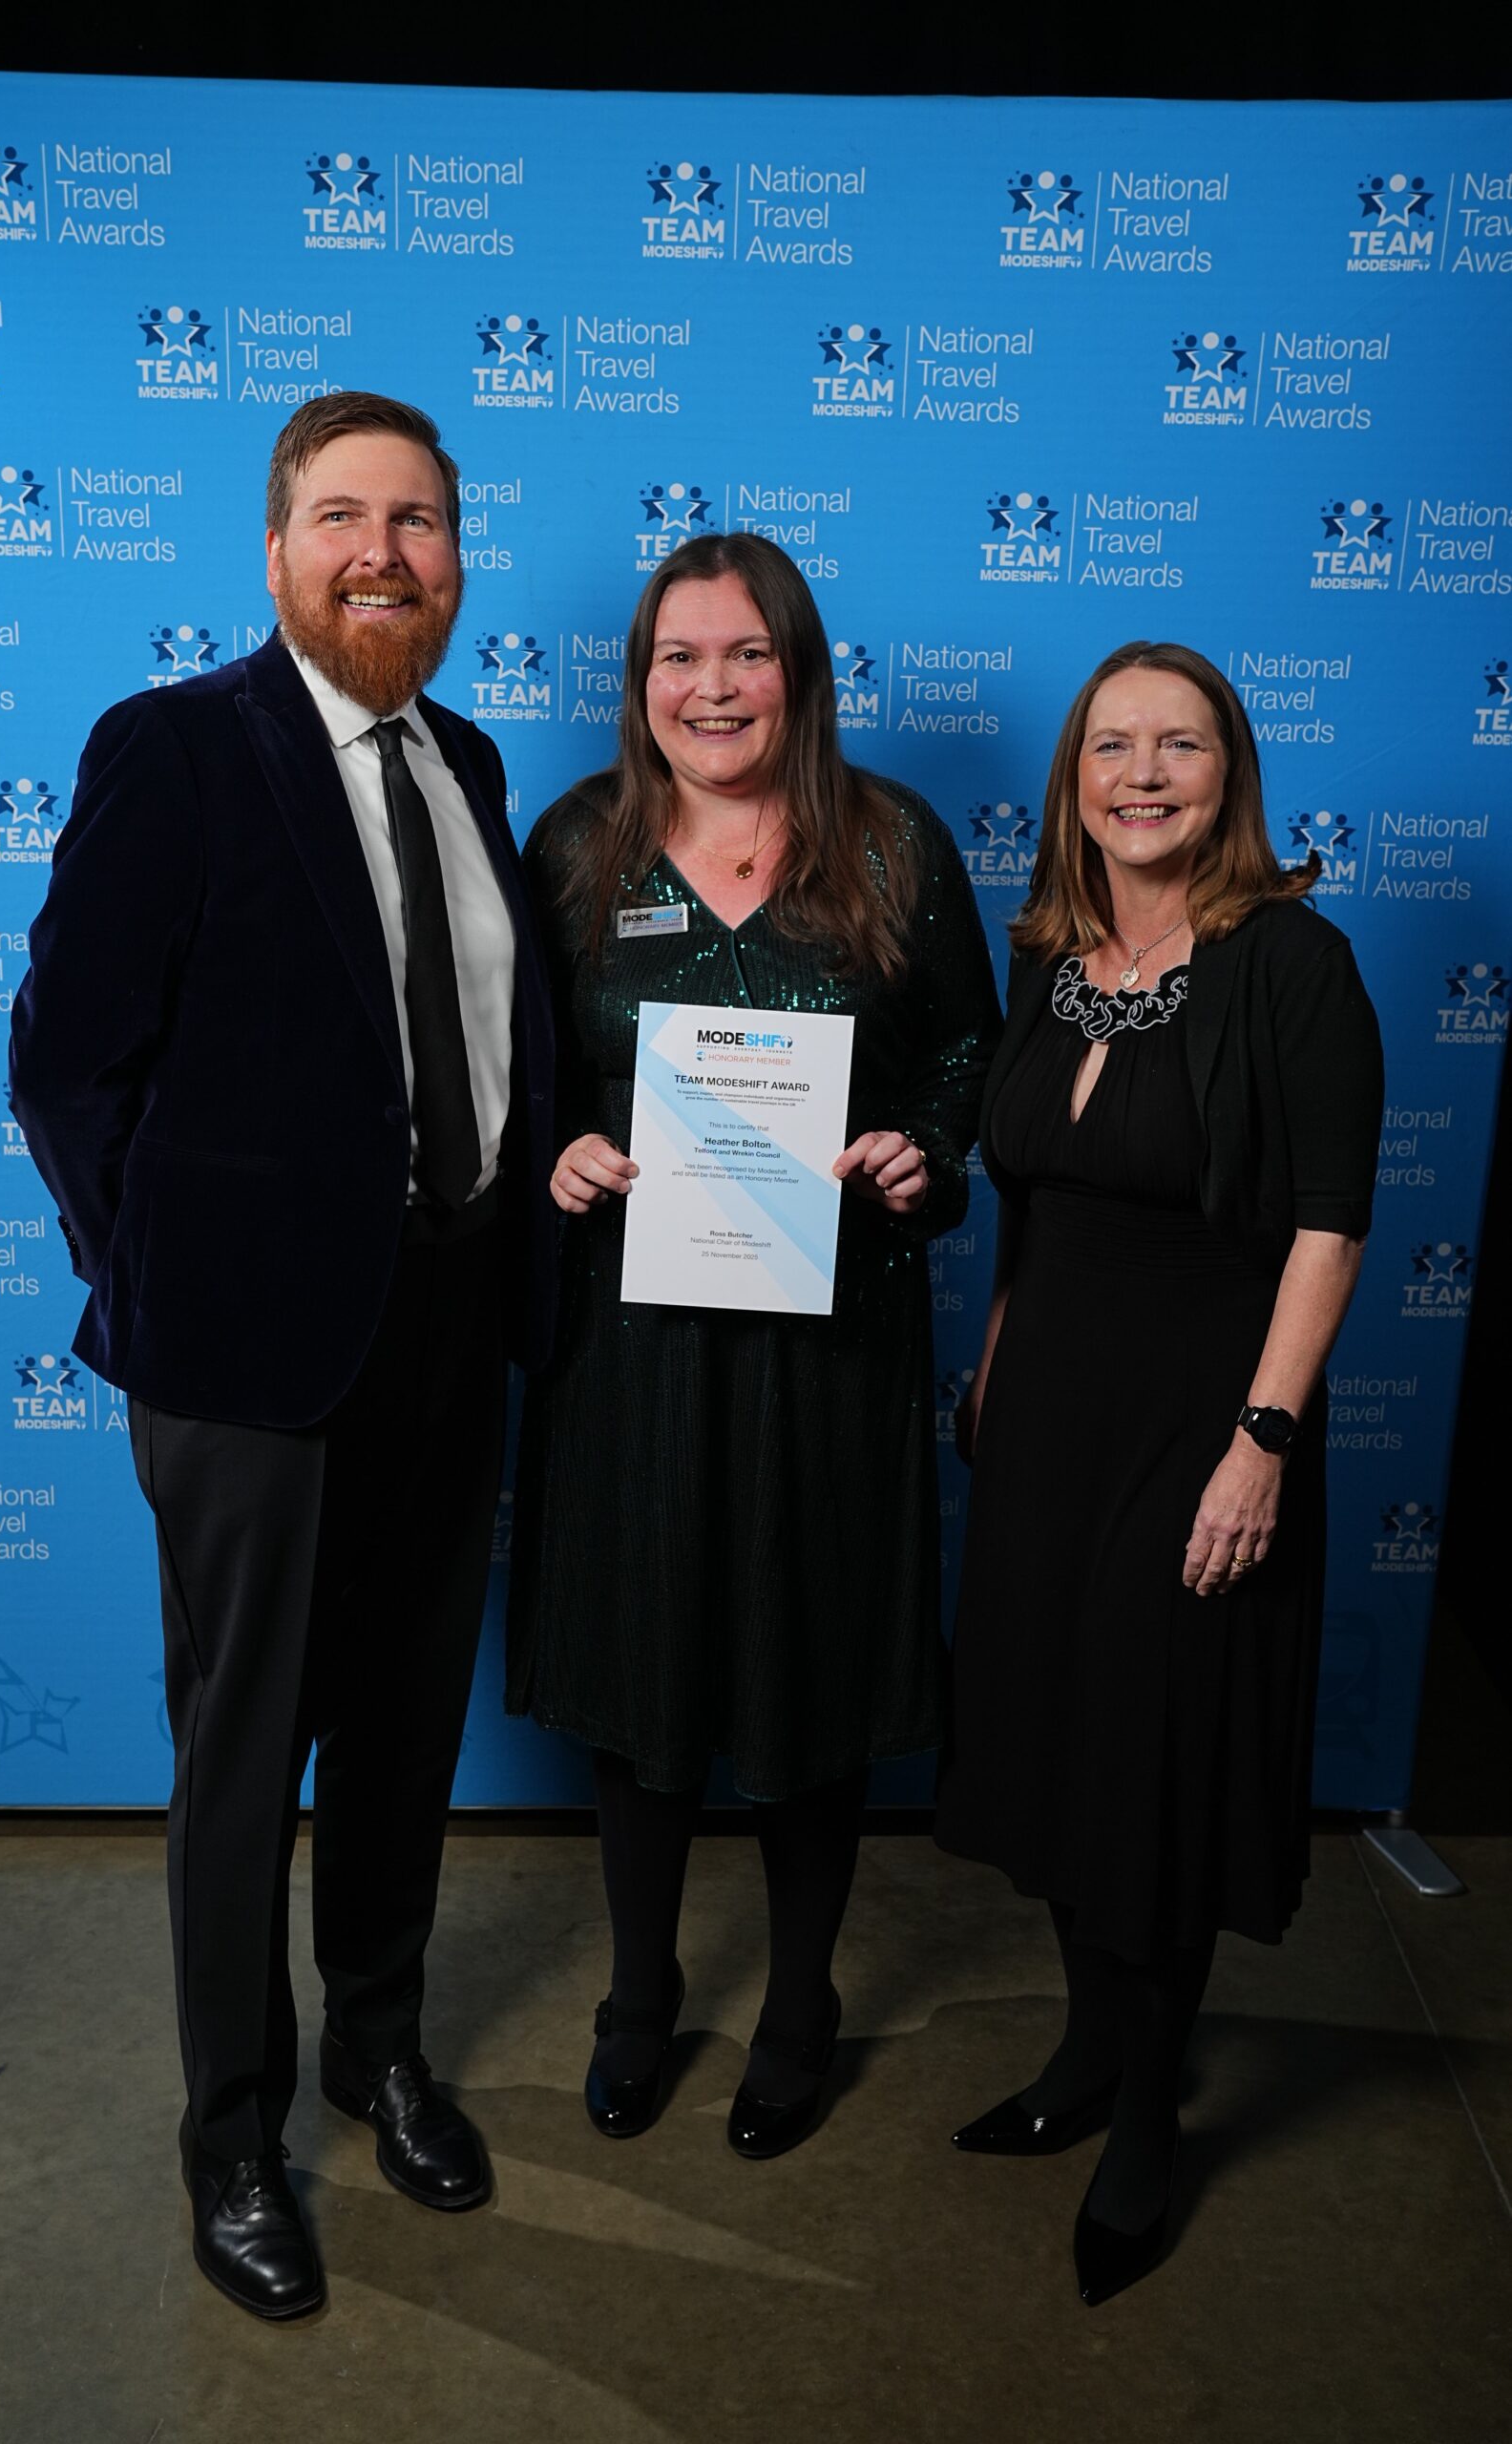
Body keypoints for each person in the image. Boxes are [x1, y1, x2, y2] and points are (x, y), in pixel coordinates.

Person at [9, 393, 555, 2320]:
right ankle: (230, 2132)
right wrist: (154, 1286)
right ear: (274, 548)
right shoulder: (178, 748)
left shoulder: (472, 763)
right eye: (342, 515)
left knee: (406, 1728)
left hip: (447, 1325)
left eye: (416, 521)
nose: (381, 552)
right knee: (244, 1755)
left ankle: (376, 2046)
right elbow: (66, 1055)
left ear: (455, 558)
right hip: (241, 1361)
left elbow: (490, 1045)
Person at [507, 532, 1000, 2159]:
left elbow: (967, 1055)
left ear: (798, 668)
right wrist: (563, 1151)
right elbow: (518, 1076)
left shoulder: (894, 844)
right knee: (645, 1670)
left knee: (806, 1664)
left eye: (745, 654)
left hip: (831, 1339)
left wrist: (923, 1155)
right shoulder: (578, 845)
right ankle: (636, 1999)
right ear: (639, 680)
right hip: (632, 1343)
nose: (710, 687)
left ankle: (800, 2008)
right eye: (678, 657)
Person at [935, 640, 1381, 2306]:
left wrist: (1259, 1448)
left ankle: (1145, 2123)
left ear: (1228, 776)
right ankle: (1085, 2054)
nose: (1143, 776)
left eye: (1179, 748)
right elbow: (1033, 1201)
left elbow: (1331, 1228)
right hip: (1047, 1415)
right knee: (1057, 1739)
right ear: (1073, 783)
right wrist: (989, 1366)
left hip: (1208, 1423)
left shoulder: (1296, 965)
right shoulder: (1047, 956)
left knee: (1155, 1754)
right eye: (1110, 748)